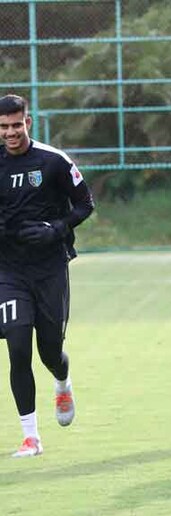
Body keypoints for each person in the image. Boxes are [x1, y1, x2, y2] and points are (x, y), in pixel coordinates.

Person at [0, 94, 94, 458]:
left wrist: (55, 229)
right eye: (4, 126)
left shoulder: (54, 161)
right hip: (9, 270)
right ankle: (31, 437)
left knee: (49, 349)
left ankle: (62, 380)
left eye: (16, 124)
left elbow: (86, 204)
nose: (10, 132)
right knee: (18, 344)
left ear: (29, 122)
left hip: (50, 267)